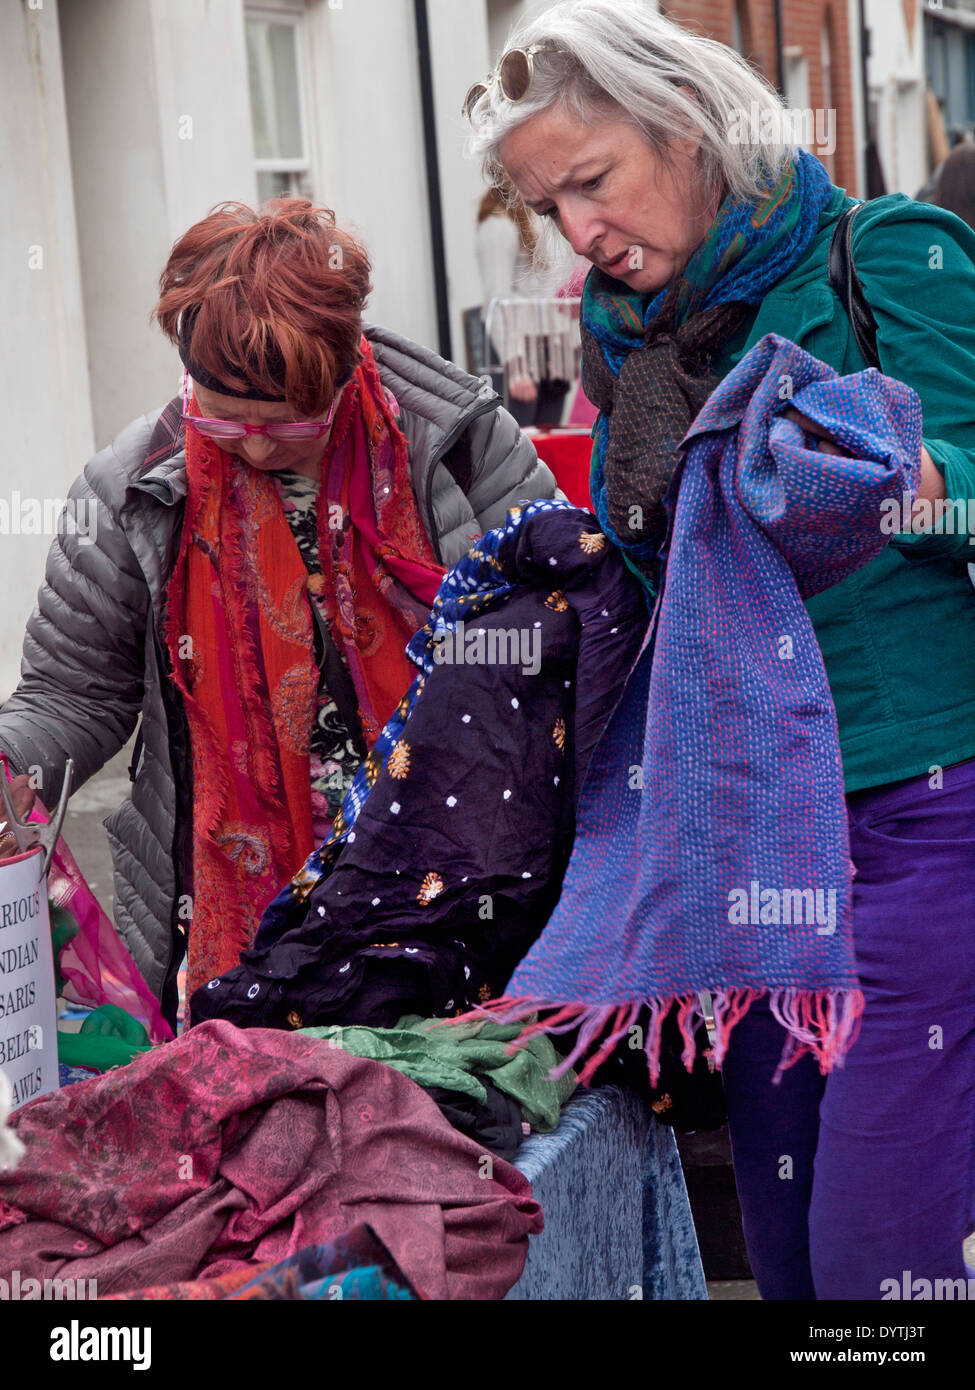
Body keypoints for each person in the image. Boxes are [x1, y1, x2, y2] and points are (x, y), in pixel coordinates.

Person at [463, 0, 975, 1300]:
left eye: (589, 181)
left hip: (924, 820)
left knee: (876, 1262)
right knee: (789, 1254)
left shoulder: (887, 255)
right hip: (750, 845)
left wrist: (898, 476)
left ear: (686, 127)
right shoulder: (626, 347)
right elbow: (663, 592)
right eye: (546, 207)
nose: (577, 232)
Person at [0, 198, 558, 1027]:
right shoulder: (131, 492)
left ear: (346, 363)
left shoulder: (460, 443)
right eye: (223, 419)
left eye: (289, 423)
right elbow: (75, 694)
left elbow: (555, 641)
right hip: (250, 912)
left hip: (461, 880)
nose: (255, 448)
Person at [475, 180, 572, 426]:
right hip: (518, 349)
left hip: (549, 349)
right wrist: (516, 364)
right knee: (520, 442)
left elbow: (550, 288)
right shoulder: (497, 226)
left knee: (550, 440)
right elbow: (497, 300)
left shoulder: (540, 216)